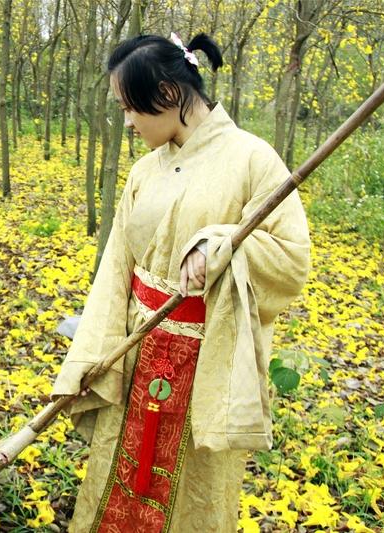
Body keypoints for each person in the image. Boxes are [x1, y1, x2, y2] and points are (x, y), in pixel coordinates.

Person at [51, 33, 311, 532]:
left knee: (193, 494)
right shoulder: (144, 171)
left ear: (168, 94)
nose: (127, 122)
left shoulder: (254, 161)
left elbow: (291, 262)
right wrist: (90, 354)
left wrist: (224, 245)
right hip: (137, 347)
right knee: (117, 480)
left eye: (131, 108)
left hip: (207, 360)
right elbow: (115, 268)